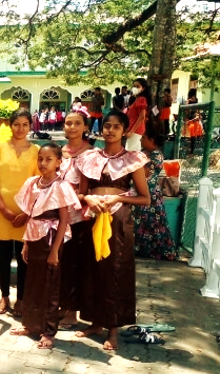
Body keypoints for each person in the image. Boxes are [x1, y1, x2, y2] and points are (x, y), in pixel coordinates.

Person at [76, 110, 150, 351]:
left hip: (118, 220)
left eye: (116, 127)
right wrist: (88, 199)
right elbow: (80, 192)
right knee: (92, 268)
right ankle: (95, 323)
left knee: (115, 270)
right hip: (92, 217)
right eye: (107, 125)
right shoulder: (89, 157)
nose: (110, 130)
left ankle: (113, 329)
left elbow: (144, 198)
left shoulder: (133, 160)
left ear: (125, 131)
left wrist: (118, 198)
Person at [9, 143, 80, 349]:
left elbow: (64, 220)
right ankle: (31, 324)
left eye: (49, 159)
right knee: (32, 282)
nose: (43, 163)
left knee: (50, 285)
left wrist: (55, 250)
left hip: (51, 238)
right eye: (40, 158)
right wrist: (26, 244)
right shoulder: (33, 183)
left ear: (58, 162)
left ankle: (49, 331)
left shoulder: (61, 186)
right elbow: (31, 215)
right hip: (34, 238)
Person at [0, 108, 40, 316]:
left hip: (27, 213)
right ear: (10, 126)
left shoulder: (36, 151)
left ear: (30, 126)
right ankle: (4, 296)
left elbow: (39, 184)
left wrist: (27, 212)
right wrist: (4, 209)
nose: (20, 128)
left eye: (25, 124)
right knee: (4, 256)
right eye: (16, 124)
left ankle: (22, 299)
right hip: (3, 212)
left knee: (24, 258)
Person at [58, 110, 95, 329]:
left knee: (73, 264)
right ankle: (63, 305)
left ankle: (72, 312)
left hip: (78, 217)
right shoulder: (58, 152)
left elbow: (87, 189)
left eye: (77, 123)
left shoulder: (91, 154)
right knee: (61, 263)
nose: (72, 127)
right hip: (57, 215)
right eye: (68, 123)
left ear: (85, 127)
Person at [133, 125, 178, 261]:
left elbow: (144, 173)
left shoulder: (156, 156)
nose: (141, 140)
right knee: (139, 221)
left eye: (144, 138)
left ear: (151, 140)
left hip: (150, 193)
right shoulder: (143, 153)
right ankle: (139, 249)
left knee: (153, 223)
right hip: (139, 191)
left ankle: (158, 252)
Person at [125, 77, 151, 152]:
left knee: (130, 152)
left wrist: (131, 132)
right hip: (134, 129)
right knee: (134, 152)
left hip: (136, 130)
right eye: (134, 86)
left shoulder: (141, 99)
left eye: (138, 86)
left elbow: (141, 117)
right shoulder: (137, 99)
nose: (135, 88)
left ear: (143, 88)